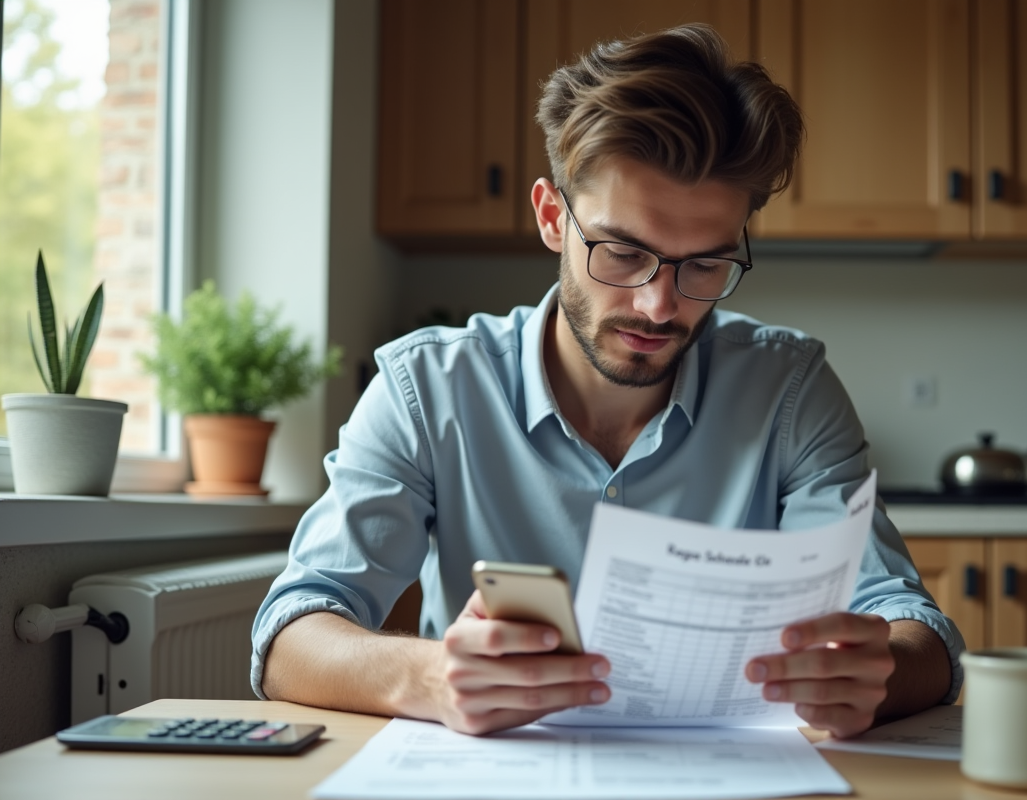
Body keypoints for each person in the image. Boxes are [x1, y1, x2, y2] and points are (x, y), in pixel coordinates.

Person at [252, 23, 963, 739]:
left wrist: (880, 673)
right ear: (553, 217)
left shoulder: (790, 390)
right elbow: (292, 635)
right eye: (624, 252)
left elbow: (917, 630)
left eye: (706, 265)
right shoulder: (428, 388)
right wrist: (430, 677)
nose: (660, 305)